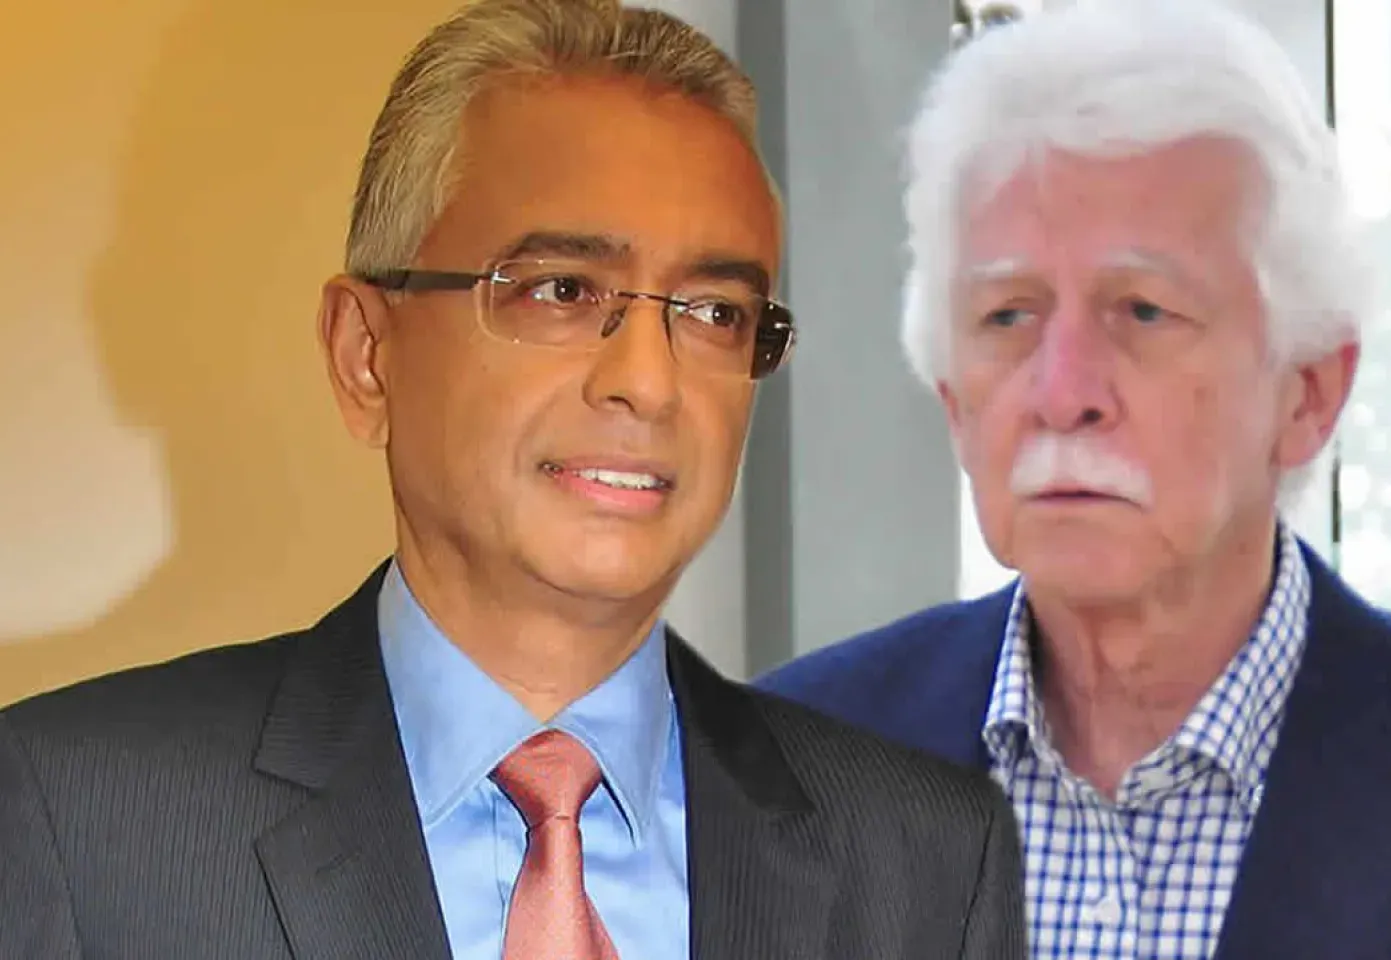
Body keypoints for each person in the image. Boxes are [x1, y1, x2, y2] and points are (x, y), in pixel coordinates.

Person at [0, 2, 1024, 958]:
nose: (648, 382)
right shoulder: (76, 822)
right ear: (367, 355)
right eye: (561, 290)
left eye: (715, 313)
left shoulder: (926, 862)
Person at [760, 1, 1391, 957]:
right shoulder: (764, 782)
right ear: (952, 398)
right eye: (1007, 315)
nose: (1062, 393)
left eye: (1145, 311)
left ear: (1310, 392)